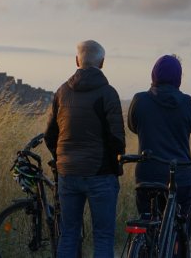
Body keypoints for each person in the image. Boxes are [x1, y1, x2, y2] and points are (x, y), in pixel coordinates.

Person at [44, 40, 125, 258]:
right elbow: (117, 139)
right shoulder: (108, 93)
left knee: (69, 235)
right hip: (101, 174)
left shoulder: (62, 92)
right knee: (103, 236)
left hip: (68, 174)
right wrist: (114, 166)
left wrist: (61, 159)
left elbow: (50, 135)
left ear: (76, 60)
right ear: (102, 63)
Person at [127, 54, 191, 257]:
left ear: (154, 74)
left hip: (147, 175)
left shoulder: (139, 100)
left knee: (147, 223)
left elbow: (133, 126)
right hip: (181, 177)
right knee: (180, 226)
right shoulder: (186, 102)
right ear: (178, 78)